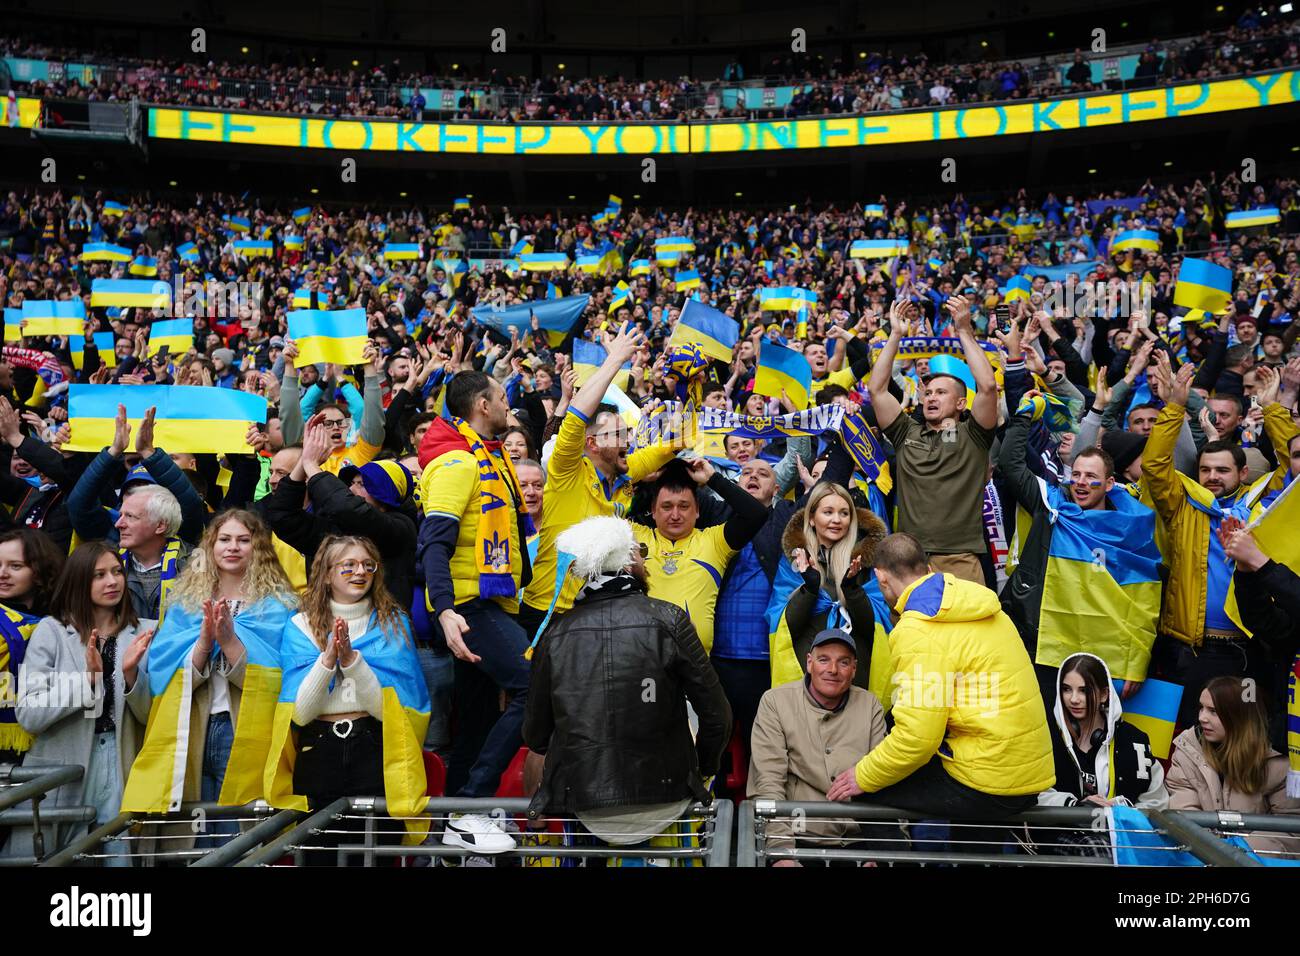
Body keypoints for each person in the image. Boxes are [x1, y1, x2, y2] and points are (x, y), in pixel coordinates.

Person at [523, 515, 730, 859]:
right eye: (642, 553)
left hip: (585, 804)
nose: (646, 563)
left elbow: (535, 735)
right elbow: (717, 715)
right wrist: (702, 770)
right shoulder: (669, 619)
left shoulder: (556, 634)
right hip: (669, 797)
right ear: (628, 559)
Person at [828, 533, 1055, 820]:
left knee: (866, 793)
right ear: (927, 567)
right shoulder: (977, 601)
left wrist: (861, 776)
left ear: (880, 578)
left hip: (989, 780)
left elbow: (918, 738)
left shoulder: (918, 628)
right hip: (1029, 772)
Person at [120, 510, 297, 836]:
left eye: (244, 540)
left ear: (258, 548)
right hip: (193, 727)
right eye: (224, 539)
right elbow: (163, 680)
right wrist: (204, 641)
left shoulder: (280, 605)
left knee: (239, 833)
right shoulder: (185, 603)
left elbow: (283, 681)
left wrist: (229, 641)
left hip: (246, 729)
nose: (233, 547)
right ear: (210, 547)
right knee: (195, 834)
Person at [416, 369, 531, 853]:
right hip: (467, 607)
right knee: (535, 681)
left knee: (478, 718)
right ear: (482, 406)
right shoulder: (460, 464)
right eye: (503, 397)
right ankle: (472, 805)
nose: (510, 406)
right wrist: (444, 611)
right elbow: (434, 544)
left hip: (489, 602)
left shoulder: (492, 456)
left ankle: (455, 829)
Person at [265, 536, 429, 864]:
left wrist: (353, 660)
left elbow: (393, 712)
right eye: (349, 565)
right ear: (326, 573)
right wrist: (327, 661)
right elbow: (298, 714)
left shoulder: (392, 623)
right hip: (318, 750)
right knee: (317, 858)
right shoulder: (299, 626)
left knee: (376, 853)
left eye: (369, 565)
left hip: (373, 747)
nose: (360, 572)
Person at [519, 323, 676, 640]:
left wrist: (685, 390)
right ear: (592, 443)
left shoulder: (625, 472)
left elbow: (674, 444)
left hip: (596, 612)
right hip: (547, 616)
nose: (628, 441)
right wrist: (614, 360)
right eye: (619, 434)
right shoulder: (566, 469)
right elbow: (577, 414)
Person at [998, 402, 1162, 706]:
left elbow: (1144, 607)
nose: (1081, 483)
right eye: (1077, 475)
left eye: (1091, 477)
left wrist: (1136, 664)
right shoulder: (1051, 507)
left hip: (1104, 657)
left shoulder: (1133, 530)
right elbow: (1010, 462)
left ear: (1111, 483)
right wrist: (1024, 416)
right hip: (1045, 645)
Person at [1142, 358, 1269, 729]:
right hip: (1192, 650)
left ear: (1242, 473)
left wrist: (1275, 408)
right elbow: (1154, 465)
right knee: (1190, 736)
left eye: (1222, 470)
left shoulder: (1262, 510)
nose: (1212, 477)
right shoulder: (1182, 504)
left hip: (1247, 652)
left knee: (1243, 736)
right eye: (1205, 470)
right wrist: (1174, 408)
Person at [11, 544, 155, 863]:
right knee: (56, 857)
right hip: (64, 764)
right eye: (99, 575)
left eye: (117, 572)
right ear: (78, 581)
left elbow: (152, 718)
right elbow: (29, 715)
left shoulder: (146, 631)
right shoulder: (51, 632)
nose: (112, 581)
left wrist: (132, 675)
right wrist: (88, 680)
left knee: (120, 857)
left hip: (122, 759)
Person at [868, 297, 998, 585]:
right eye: (928, 392)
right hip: (908, 561)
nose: (931, 397)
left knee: (964, 631)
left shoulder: (974, 436)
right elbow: (876, 390)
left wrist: (964, 331)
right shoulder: (906, 433)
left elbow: (988, 387)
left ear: (962, 403)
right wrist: (896, 336)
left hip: (960, 559)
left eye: (941, 392)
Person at [747, 628, 887, 864]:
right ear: (809, 663)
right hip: (800, 839)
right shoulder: (775, 702)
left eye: (843, 662)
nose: (833, 670)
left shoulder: (869, 704)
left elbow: (884, 777)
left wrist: (880, 851)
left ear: (854, 669)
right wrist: (781, 852)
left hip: (857, 841)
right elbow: (769, 780)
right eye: (824, 660)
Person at [65, 405, 205, 620]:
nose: (120, 523)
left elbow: (191, 504)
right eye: (129, 491)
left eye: (131, 516)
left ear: (161, 522)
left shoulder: (192, 556)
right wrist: (113, 452)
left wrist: (149, 453)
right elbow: (78, 505)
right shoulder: (111, 545)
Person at [264, 415, 418, 608]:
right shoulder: (339, 529)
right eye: (351, 483)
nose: (352, 490)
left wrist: (311, 466)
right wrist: (303, 462)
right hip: (331, 628)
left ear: (387, 493)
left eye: (362, 484)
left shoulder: (400, 528)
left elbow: (349, 510)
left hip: (383, 630)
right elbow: (283, 517)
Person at [632, 457, 766, 654]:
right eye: (667, 507)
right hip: (643, 657)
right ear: (653, 511)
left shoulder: (714, 541)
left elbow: (756, 514)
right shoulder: (634, 536)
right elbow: (599, 510)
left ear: (697, 511)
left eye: (684, 506)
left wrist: (712, 478)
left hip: (695, 664)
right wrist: (640, 478)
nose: (675, 515)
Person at [768, 482, 889, 691]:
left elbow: (876, 630)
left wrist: (852, 590)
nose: (836, 520)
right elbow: (784, 627)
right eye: (828, 512)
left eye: (844, 513)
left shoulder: (867, 563)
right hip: (805, 680)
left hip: (855, 680)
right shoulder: (794, 563)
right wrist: (810, 589)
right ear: (812, 518)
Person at [1166, 676, 1300, 856]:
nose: (1202, 717)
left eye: (1213, 711)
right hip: (1200, 857)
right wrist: (1212, 852)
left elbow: (1289, 830)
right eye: (1201, 708)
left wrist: (1238, 852)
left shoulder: (1278, 762)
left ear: (1240, 717)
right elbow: (1183, 812)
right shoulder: (1187, 751)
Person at [1038, 653, 1167, 809]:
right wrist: (1073, 807)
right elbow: (1031, 793)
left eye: (1083, 690)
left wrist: (1121, 811)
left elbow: (1157, 802)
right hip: (1060, 833)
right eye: (1066, 689)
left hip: (1115, 832)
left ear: (1104, 694)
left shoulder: (1134, 740)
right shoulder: (1046, 737)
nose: (1073, 699)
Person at [0, 527, 64, 762]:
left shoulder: (61, 620)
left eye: (15, 566)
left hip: (49, 740)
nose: (3, 574)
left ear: (39, 572)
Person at [278, 340, 386, 474]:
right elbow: (295, 412)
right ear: (315, 430)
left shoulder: (363, 451)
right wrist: (290, 366)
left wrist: (369, 367)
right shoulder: (302, 453)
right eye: (327, 423)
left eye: (341, 423)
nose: (336, 427)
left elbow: (366, 412)